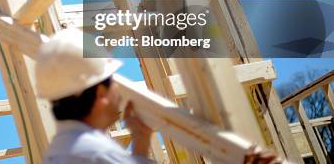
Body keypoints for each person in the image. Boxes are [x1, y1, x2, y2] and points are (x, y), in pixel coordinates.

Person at [34, 29, 284, 164]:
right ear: (100, 93)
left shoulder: (62, 150)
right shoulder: (93, 152)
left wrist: (141, 140)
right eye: (112, 83)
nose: (117, 91)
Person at [35, 28, 156, 164]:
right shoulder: (99, 153)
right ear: (101, 94)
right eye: (113, 80)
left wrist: (141, 143)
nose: (118, 89)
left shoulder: (57, 152)